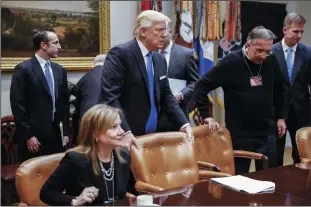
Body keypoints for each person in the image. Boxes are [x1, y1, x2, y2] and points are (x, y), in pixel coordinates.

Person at [193, 26, 289, 174]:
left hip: (267, 130)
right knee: (238, 178)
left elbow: (281, 88)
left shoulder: (271, 59)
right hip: (240, 133)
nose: (264, 56)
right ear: (248, 44)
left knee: (270, 176)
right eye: (259, 50)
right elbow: (201, 86)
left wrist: (281, 117)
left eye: (267, 51)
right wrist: (206, 116)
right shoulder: (231, 62)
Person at [99, 10, 193, 141]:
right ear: (143, 32)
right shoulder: (121, 54)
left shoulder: (159, 59)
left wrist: (184, 124)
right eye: (159, 30)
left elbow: (166, 96)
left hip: (153, 136)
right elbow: (110, 96)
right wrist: (124, 131)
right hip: (125, 136)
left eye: (165, 30)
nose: (165, 35)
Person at [40, 104, 136, 206]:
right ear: (95, 134)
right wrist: (75, 201)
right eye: (114, 127)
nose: (121, 131)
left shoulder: (124, 156)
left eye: (120, 125)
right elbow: (46, 193)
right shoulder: (75, 160)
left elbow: (130, 190)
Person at [10, 28, 69, 162]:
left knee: (55, 175)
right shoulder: (23, 69)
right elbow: (18, 105)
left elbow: (63, 104)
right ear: (43, 45)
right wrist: (28, 135)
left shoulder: (60, 71)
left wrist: (65, 131)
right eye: (55, 43)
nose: (59, 47)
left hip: (55, 135)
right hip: (34, 137)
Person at [272, 13, 311, 165]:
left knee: (301, 157)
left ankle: (300, 188)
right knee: (275, 157)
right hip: (276, 112)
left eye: (302, 31)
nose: (299, 35)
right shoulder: (271, 52)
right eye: (295, 31)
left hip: (301, 112)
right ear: (285, 30)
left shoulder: (307, 52)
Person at [158, 26, 199, 131]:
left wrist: (181, 95)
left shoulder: (185, 54)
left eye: (163, 30)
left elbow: (195, 83)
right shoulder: (151, 54)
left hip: (177, 115)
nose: (160, 35)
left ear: (170, 32)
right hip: (154, 117)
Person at [72, 54, 106, 144]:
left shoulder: (84, 78)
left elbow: (77, 106)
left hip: (86, 123)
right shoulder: (113, 76)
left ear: (93, 64)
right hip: (106, 123)